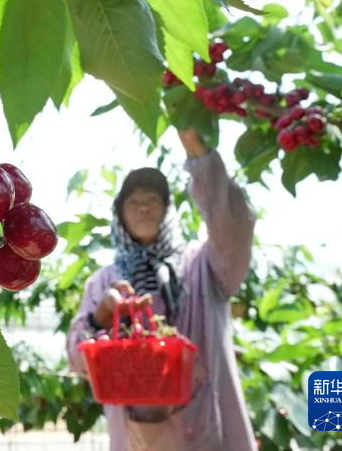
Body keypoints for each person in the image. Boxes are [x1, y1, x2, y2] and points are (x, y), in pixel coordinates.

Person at [66, 128, 257, 451]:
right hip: (137, 439)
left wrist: (202, 160)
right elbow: (77, 359)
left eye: (153, 200)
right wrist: (101, 316)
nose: (143, 208)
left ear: (168, 211)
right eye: (134, 202)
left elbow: (234, 230)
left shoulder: (202, 266)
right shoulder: (103, 282)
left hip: (209, 435)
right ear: (120, 215)